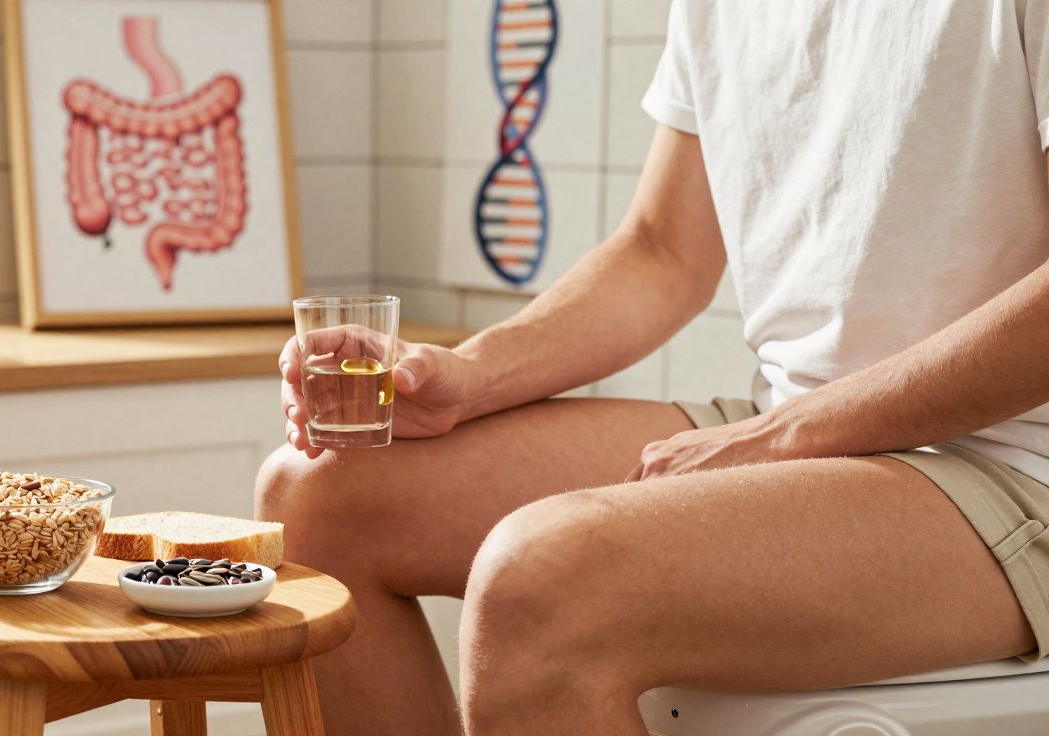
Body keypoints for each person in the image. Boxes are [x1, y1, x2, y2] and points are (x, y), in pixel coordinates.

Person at [256, 2, 1049, 733]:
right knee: (318, 493)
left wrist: (780, 438)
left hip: (1010, 462)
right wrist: (468, 375)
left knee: (543, 577)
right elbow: (663, 250)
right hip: (802, 425)